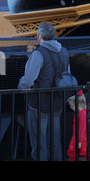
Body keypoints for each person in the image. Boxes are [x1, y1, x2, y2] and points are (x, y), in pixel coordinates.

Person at [18, 22, 70, 161]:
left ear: (39, 36)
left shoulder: (38, 54)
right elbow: (68, 75)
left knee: (38, 141)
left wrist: (20, 85)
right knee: (55, 139)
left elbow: (28, 81)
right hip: (58, 102)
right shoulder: (64, 52)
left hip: (39, 104)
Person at [67, 90, 90, 161]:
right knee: (82, 154)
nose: (71, 108)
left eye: (71, 106)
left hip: (82, 138)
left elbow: (82, 128)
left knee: (85, 154)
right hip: (80, 137)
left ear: (77, 105)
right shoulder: (81, 112)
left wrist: (79, 142)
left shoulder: (82, 114)